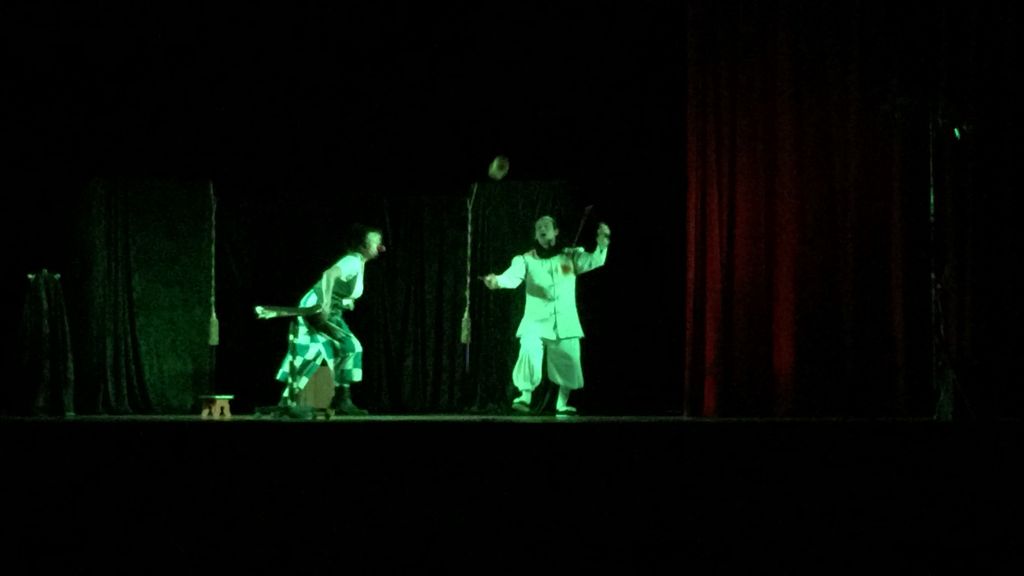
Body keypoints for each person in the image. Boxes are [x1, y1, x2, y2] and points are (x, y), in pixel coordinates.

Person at [483, 215, 610, 415]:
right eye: (538, 227)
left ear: (556, 231)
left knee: (569, 360)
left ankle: (562, 404)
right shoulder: (526, 260)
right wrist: (497, 281)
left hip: (565, 319)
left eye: (546, 225)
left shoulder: (570, 256)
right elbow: (512, 277)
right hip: (535, 320)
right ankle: (525, 396)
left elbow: (594, 260)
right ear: (535, 235)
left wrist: (602, 244)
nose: (542, 228)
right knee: (529, 348)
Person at [256, 224, 385, 417]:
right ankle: (337, 399)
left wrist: (345, 301)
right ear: (362, 245)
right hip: (317, 308)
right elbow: (329, 275)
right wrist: (325, 303)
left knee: (317, 352)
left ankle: (294, 402)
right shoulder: (352, 260)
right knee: (347, 347)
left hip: (329, 310)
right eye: (375, 241)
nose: (379, 244)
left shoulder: (358, 263)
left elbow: (341, 288)